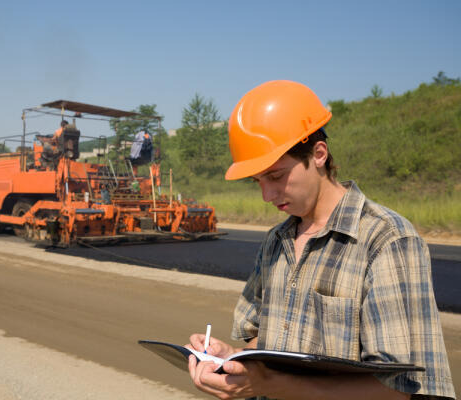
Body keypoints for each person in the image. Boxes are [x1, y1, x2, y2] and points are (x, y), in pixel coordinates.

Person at [187, 80, 455, 399]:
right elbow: (266, 342)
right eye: (257, 180)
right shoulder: (276, 242)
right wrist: (231, 359)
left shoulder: (385, 240)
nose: (266, 195)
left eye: (276, 176)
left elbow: (399, 391)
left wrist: (268, 385)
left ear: (318, 154)